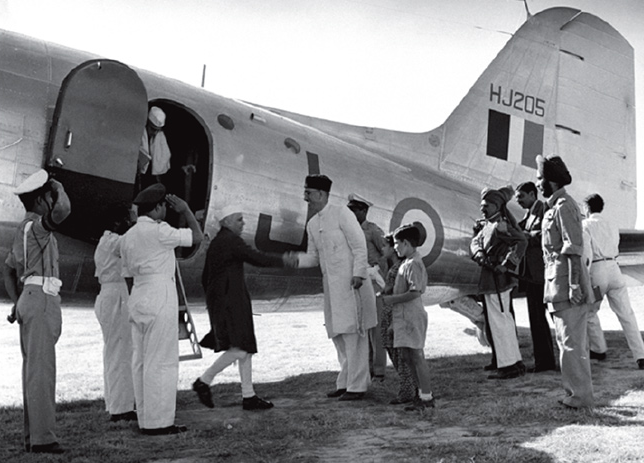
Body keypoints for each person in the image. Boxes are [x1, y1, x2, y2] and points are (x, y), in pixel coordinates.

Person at [192, 205, 296, 410]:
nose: (243, 223)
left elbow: (206, 276)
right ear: (227, 221)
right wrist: (284, 259)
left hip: (227, 300)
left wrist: (214, 300)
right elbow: (257, 258)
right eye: (239, 219)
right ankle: (204, 381)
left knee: (245, 347)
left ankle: (249, 396)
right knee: (240, 348)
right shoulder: (230, 241)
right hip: (231, 301)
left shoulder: (218, 242)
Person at [119, 183, 203, 435]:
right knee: (162, 360)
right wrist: (186, 210)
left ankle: (145, 417)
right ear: (156, 209)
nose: (165, 211)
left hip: (138, 294)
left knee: (141, 361)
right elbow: (196, 237)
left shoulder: (127, 237)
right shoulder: (160, 231)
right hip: (159, 293)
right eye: (163, 207)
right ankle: (159, 423)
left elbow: (126, 276)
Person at [3, 169, 71, 454]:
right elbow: (64, 210)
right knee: (42, 371)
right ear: (42, 200)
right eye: (49, 197)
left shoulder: (23, 230)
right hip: (41, 297)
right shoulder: (38, 227)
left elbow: (8, 269)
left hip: (29, 298)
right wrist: (59, 185)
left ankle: (34, 436)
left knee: (33, 370)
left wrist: (17, 301)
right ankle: (44, 439)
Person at [295, 174, 378, 401]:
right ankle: (344, 383)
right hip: (332, 289)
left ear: (321, 194)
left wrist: (359, 274)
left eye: (308, 193)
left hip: (352, 285)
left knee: (355, 335)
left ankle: (357, 387)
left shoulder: (342, 213)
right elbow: (313, 257)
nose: (305, 198)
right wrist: (292, 260)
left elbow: (360, 246)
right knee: (338, 335)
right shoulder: (313, 224)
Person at [536, 154, 595, 408]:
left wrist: (573, 286)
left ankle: (580, 397)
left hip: (566, 287)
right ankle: (574, 394)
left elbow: (573, 248)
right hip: (556, 285)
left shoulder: (564, 207)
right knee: (565, 343)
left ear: (550, 181)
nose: (537, 183)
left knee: (572, 345)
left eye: (540, 179)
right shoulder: (554, 208)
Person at [470, 186, 527, 380]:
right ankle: (513, 361)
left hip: (497, 281)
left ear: (496, 206)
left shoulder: (500, 225)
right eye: (481, 205)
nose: (482, 209)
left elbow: (521, 241)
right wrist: (478, 254)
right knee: (503, 321)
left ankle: (508, 366)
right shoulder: (489, 224)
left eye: (486, 205)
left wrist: (507, 264)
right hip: (491, 280)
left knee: (500, 322)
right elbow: (476, 242)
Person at [582, 193, 644, 369]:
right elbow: (615, 246)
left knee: (590, 311)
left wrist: (584, 278)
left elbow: (586, 255)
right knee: (626, 314)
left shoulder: (584, 225)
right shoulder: (612, 225)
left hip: (596, 271)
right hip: (614, 269)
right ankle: (641, 354)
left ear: (587, 208)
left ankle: (599, 348)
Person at [381, 224, 435, 410]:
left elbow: (415, 292)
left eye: (397, 244)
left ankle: (426, 397)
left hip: (411, 316)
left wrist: (391, 300)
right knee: (407, 356)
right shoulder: (407, 263)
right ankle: (420, 394)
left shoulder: (413, 264)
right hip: (403, 317)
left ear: (406, 243)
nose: (395, 247)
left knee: (417, 357)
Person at [93, 203, 137, 422]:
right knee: (121, 352)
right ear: (118, 223)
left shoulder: (105, 241)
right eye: (128, 220)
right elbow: (134, 242)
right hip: (116, 294)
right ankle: (121, 408)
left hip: (108, 294)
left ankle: (115, 403)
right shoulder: (113, 241)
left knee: (113, 351)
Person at [515, 182, 557, 373]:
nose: (518, 200)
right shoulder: (528, 214)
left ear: (532, 194)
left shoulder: (543, 209)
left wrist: (525, 236)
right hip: (532, 276)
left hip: (541, 275)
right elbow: (519, 229)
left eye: (521, 196)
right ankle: (544, 362)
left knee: (553, 319)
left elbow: (546, 235)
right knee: (537, 321)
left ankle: (551, 361)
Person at [347, 193, 387, 381]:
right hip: (357, 280)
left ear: (364, 211)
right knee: (361, 327)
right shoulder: (347, 229)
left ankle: (378, 370)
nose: (351, 213)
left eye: (354, 210)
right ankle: (365, 368)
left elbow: (386, 253)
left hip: (373, 280)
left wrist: (380, 275)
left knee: (376, 327)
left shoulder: (372, 230)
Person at [379, 232, 418, 404]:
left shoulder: (398, 269)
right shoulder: (395, 267)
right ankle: (410, 388)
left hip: (394, 314)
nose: (382, 249)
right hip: (391, 313)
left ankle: (408, 391)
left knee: (400, 355)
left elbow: (399, 293)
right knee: (397, 353)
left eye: (385, 245)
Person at [138, 106, 172, 190]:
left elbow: (163, 159)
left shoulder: (160, 137)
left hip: (151, 179)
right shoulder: (139, 133)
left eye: (157, 130)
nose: (155, 132)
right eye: (153, 129)